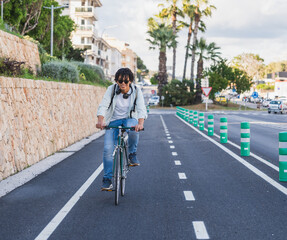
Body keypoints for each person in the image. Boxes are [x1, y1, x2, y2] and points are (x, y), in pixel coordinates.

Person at [96, 68, 147, 191]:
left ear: (130, 81)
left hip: (129, 118)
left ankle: (132, 154)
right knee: (108, 149)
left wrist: (140, 124)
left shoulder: (136, 90)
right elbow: (103, 105)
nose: (123, 83)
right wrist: (100, 121)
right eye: (120, 81)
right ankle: (107, 179)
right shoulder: (111, 89)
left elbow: (141, 108)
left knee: (134, 130)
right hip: (113, 121)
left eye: (126, 81)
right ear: (117, 81)